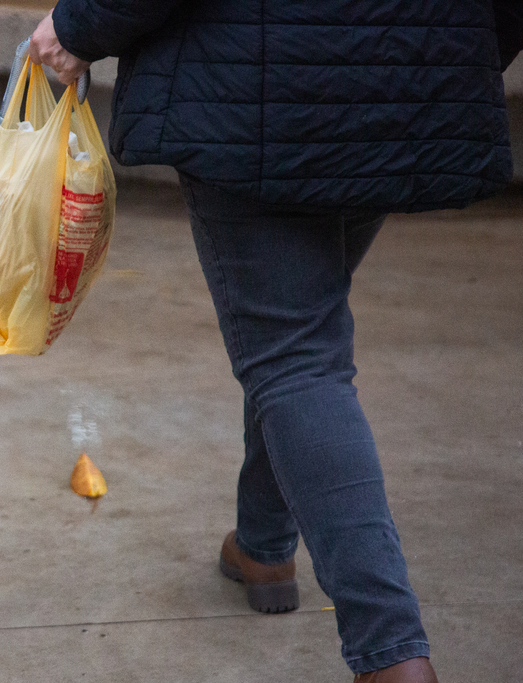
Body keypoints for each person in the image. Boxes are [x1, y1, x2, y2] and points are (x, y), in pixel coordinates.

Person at [29, 2, 523, 681]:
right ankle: (263, 545)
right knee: (298, 334)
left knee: (294, 359)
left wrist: (79, 24)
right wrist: (441, 53)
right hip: (399, 71)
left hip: (254, 83)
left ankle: (393, 655)